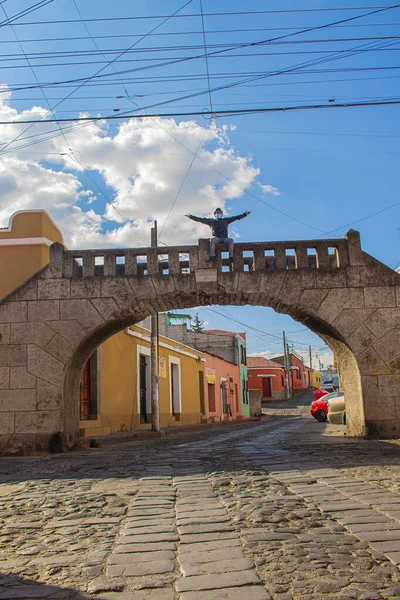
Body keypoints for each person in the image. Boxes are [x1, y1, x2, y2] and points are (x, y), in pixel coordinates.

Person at [185, 208, 251, 263]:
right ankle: (212, 256)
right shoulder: (211, 221)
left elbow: (236, 217)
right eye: (217, 213)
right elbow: (200, 219)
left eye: (220, 213)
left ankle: (231, 257)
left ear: (222, 214)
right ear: (215, 214)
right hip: (217, 238)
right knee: (212, 240)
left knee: (231, 241)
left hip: (225, 238)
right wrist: (191, 217)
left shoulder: (226, 220)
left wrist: (245, 214)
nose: (218, 214)